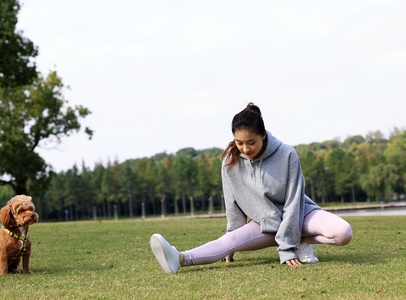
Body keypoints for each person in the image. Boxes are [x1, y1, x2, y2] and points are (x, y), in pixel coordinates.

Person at [150, 103, 353, 273]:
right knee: (224, 243)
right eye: (239, 143)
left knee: (343, 233)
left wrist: (287, 247)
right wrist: (231, 245)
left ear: (263, 135)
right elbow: (233, 206)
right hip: (265, 225)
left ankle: (297, 241)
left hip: (301, 216)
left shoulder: (287, 155)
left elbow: (293, 202)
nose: (245, 149)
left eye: (251, 142)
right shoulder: (230, 162)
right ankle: (178, 258)